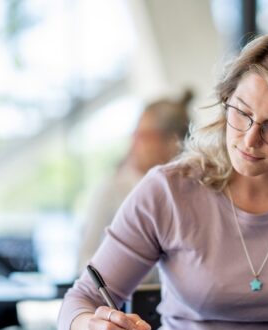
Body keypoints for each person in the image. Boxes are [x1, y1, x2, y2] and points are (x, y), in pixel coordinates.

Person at [58, 28, 268, 330]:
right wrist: (92, 329)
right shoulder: (169, 190)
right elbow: (79, 302)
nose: (250, 140)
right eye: (242, 113)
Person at [77, 91, 193, 280]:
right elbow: (85, 260)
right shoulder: (111, 188)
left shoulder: (194, 190)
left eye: (143, 135)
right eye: (135, 133)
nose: (134, 141)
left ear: (172, 142)